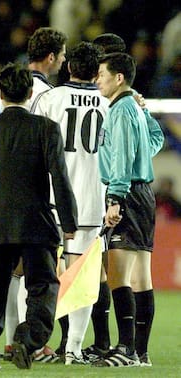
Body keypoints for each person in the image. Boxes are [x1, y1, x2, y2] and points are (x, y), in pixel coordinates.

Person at [0, 62, 78, 370]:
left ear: (0, 93)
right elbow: (59, 177)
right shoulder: (46, 129)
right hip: (37, 224)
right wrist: (69, 223)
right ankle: (29, 338)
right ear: (30, 92)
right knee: (43, 287)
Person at [0, 27, 69, 363]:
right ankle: (32, 343)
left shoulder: (10, 84)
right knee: (39, 270)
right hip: (39, 192)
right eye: (63, 54)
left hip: (8, 187)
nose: (65, 61)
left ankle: (13, 341)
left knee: (15, 269)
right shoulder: (46, 95)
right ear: (53, 56)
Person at [37, 41, 109, 365]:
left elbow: (32, 147)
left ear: (68, 67)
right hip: (93, 201)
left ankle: (37, 344)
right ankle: (74, 349)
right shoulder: (111, 104)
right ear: (97, 71)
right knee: (83, 276)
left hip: (50, 200)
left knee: (41, 272)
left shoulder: (50, 99)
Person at [94, 52, 164, 367]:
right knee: (142, 278)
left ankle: (126, 349)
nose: (98, 80)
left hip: (127, 194)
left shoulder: (121, 111)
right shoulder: (135, 108)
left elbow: (121, 156)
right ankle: (141, 352)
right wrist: (146, 114)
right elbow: (155, 139)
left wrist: (115, 198)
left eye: (102, 74)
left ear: (118, 78)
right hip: (144, 193)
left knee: (117, 275)